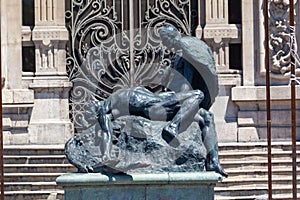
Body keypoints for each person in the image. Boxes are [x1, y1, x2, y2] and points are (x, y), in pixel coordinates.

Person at [89, 86, 228, 177]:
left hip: (160, 102)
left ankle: (213, 161)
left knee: (206, 116)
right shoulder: (105, 111)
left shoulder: (113, 100)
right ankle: (173, 127)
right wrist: (106, 156)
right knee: (198, 94)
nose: (95, 110)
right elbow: (106, 132)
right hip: (156, 107)